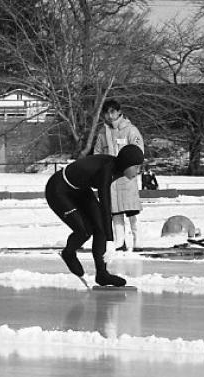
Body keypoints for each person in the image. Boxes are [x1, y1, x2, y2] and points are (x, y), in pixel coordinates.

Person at [45, 144, 145, 287]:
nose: (138, 171)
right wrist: (110, 241)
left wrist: (108, 237)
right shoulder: (106, 170)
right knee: (84, 231)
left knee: (100, 228)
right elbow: (106, 205)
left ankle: (102, 274)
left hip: (79, 189)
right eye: (136, 167)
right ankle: (68, 252)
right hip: (58, 189)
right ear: (126, 164)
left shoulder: (117, 168)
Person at [93, 99, 144, 251]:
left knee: (132, 211)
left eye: (112, 112)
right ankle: (120, 242)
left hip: (127, 177)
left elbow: (138, 150)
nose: (109, 116)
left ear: (118, 112)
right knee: (115, 211)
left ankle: (137, 241)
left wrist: (134, 168)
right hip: (111, 178)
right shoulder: (103, 132)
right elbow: (97, 153)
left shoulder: (130, 130)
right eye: (106, 113)